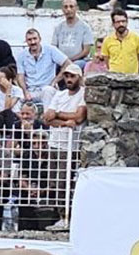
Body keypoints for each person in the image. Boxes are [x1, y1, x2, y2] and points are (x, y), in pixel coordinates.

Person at [40, 63, 86, 232]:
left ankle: (67, 216)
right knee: (54, 181)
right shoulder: (59, 95)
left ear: (79, 78)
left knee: (64, 182)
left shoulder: (82, 94)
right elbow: (46, 118)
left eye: (72, 76)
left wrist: (58, 115)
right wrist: (66, 122)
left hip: (71, 145)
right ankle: (61, 216)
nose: (68, 79)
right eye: (66, 76)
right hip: (55, 143)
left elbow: (79, 117)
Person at [17, 29, 69, 104]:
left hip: (47, 87)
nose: (33, 42)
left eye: (35, 38)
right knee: (15, 97)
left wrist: (54, 82)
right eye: (29, 40)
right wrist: (25, 91)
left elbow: (67, 64)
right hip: (30, 90)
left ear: (40, 39)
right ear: (26, 41)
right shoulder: (22, 55)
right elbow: (20, 77)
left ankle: (47, 115)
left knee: (48, 91)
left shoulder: (50, 50)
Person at [54, 0, 95, 68]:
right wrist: (63, 60)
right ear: (62, 9)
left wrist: (70, 60)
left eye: (71, 6)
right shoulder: (58, 27)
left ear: (77, 8)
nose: (68, 9)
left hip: (79, 60)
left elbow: (86, 51)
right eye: (66, 7)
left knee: (74, 66)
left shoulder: (85, 27)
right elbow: (54, 48)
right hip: (61, 60)